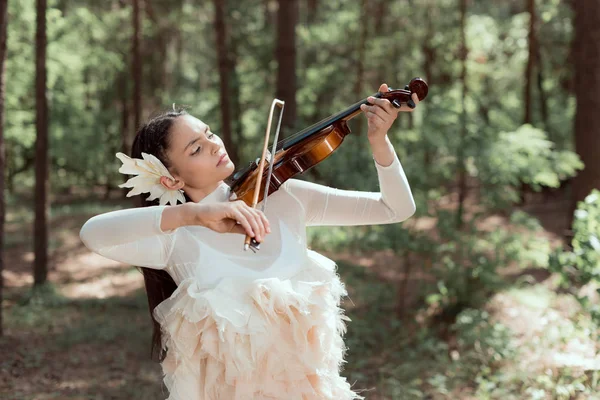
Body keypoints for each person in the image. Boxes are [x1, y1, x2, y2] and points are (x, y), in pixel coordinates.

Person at [79, 83, 420, 400]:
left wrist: (379, 142)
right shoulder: (174, 239)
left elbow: (396, 208)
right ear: (172, 178)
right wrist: (194, 215)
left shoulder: (285, 196)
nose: (214, 144)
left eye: (209, 133)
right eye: (196, 148)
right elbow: (93, 234)